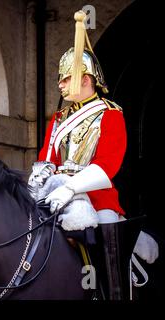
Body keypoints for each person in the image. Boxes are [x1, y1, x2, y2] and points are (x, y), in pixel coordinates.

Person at [28, 10, 158, 300]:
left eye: (65, 79)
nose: (60, 85)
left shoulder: (110, 115)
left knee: (108, 240)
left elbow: (106, 167)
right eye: (61, 80)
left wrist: (72, 188)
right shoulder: (58, 119)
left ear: (85, 79)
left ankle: (114, 293)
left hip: (98, 199)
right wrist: (38, 183)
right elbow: (47, 158)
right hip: (55, 193)